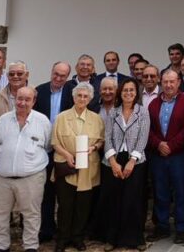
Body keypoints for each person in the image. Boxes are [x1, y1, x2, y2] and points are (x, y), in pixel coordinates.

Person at [0, 87, 51, 252]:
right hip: (2, 177)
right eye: (19, 98)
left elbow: (48, 145)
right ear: (15, 99)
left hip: (31, 177)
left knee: (31, 214)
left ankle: (30, 246)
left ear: (34, 101)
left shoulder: (42, 121)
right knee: (0, 214)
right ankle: (0, 245)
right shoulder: (3, 120)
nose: (22, 103)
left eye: (27, 99)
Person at [97, 78, 152, 251]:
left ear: (136, 93)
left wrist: (132, 161)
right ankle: (112, 238)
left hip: (135, 161)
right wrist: (113, 161)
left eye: (131, 90)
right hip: (113, 161)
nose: (128, 93)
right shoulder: (113, 112)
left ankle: (135, 239)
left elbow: (143, 138)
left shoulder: (143, 112)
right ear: (120, 93)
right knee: (113, 200)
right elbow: (107, 137)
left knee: (133, 200)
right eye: (125, 90)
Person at [52, 82, 105, 252]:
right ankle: (62, 238)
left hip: (88, 167)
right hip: (67, 165)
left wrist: (93, 147)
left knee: (83, 206)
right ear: (73, 97)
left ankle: (77, 237)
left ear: (90, 99)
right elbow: (55, 142)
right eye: (79, 96)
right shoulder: (61, 117)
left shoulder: (97, 119)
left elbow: (101, 140)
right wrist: (67, 155)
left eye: (85, 96)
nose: (82, 99)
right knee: (65, 205)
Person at [148, 70, 184, 243]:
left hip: (179, 156)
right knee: (160, 192)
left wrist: (171, 146)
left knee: (181, 192)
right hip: (158, 155)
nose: (168, 85)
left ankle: (182, 228)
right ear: (160, 82)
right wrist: (159, 144)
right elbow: (148, 129)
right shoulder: (153, 104)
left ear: (178, 83)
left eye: (172, 82)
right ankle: (162, 226)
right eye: (165, 82)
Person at [34, 61, 72, 242]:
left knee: (64, 193)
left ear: (67, 77)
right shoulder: (39, 91)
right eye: (56, 74)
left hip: (65, 150)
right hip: (43, 149)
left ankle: (64, 230)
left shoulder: (72, 92)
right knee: (46, 192)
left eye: (62, 76)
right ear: (51, 71)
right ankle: (46, 229)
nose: (58, 78)